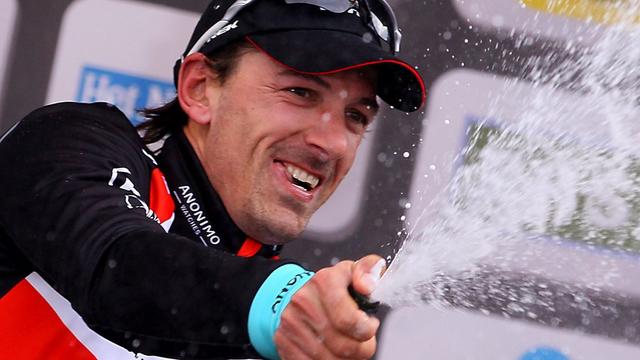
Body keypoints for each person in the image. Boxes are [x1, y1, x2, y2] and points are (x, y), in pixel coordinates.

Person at [0, 0, 424, 358]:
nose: (330, 142)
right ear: (199, 87)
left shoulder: (277, 333)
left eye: (356, 116)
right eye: (300, 92)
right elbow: (115, 268)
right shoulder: (69, 141)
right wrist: (278, 305)